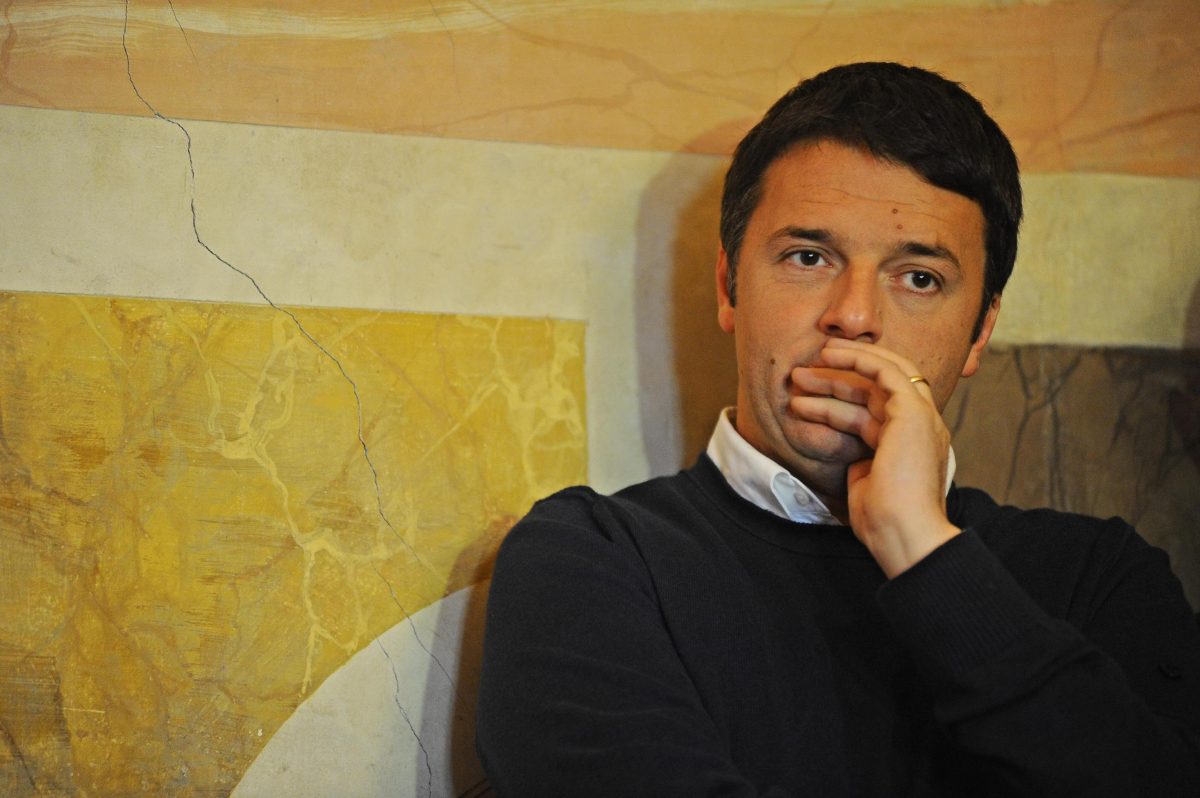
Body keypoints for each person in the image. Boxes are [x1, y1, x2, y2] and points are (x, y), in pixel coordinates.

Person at [474, 62, 1200, 796]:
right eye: (809, 257)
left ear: (980, 331)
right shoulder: (590, 560)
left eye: (919, 277)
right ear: (728, 286)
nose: (853, 317)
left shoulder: (1098, 577)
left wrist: (924, 550)